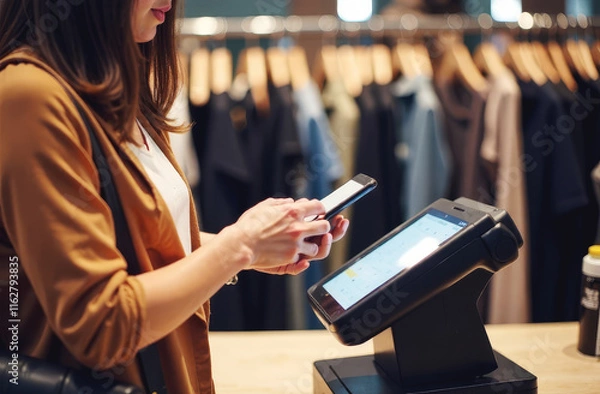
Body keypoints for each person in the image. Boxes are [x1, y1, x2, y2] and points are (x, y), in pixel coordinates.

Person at [0, 1, 349, 393]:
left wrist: (259, 245)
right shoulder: (28, 96)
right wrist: (241, 246)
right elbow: (102, 324)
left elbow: (142, 246)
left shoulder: (119, 91)